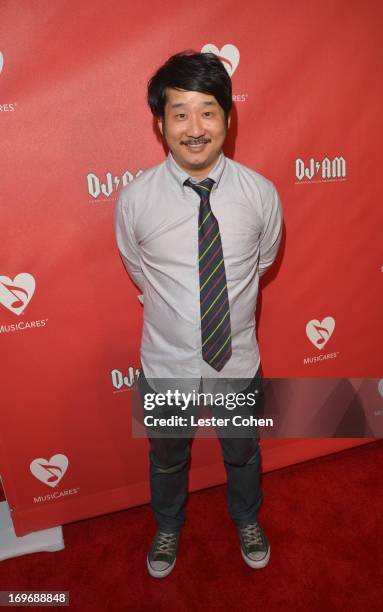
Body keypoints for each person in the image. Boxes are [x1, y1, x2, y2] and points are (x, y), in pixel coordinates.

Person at [115, 51, 283, 578]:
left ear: (228, 119)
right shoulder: (135, 200)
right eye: (180, 113)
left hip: (237, 363)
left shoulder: (260, 194)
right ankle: (167, 526)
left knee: (244, 454)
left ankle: (247, 518)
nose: (195, 127)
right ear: (160, 122)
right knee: (166, 460)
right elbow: (139, 271)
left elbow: (263, 260)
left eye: (208, 111)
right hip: (166, 364)